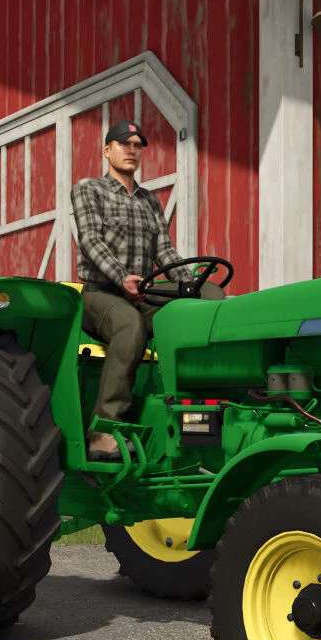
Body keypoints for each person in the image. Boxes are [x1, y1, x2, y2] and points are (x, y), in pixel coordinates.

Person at [72, 119, 223, 461]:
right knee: (130, 325)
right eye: (123, 144)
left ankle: (200, 407)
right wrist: (121, 276)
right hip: (101, 294)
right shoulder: (89, 190)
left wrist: (190, 284)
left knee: (210, 297)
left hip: (141, 293)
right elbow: (91, 241)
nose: (131, 150)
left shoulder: (149, 202)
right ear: (106, 150)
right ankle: (103, 431)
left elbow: (165, 252)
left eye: (137, 145)